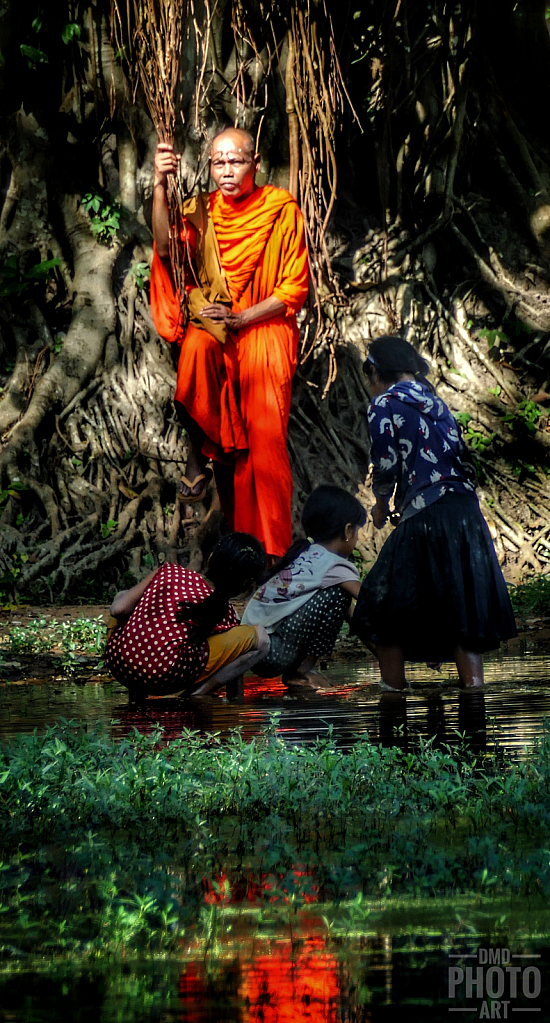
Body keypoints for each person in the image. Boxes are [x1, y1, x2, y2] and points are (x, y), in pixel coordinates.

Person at [150, 127, 309, 560]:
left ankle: (271, 554)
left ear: (255, 164)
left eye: (235, 161)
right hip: (218, 330)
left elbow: (293, 289)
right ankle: (198, 459)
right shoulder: (199, 210)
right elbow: (165, 248)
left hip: (264, 331)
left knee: (263, 446)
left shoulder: (279, 208)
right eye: (218, 163)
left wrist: (243, 317)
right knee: (196, 352)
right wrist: (160, 185)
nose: (226, 171)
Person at [352, 335, 517, 691]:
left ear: (376, 372)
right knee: (461, 609)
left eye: (369, 376)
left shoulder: (384, 402)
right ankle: (474, 694)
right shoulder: (436, 401)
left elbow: (385, 463)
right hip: (464, 512)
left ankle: (393, 696)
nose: (369, 384)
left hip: (426, 512)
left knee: (380, 606)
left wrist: (381, 504)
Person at [105, 534, 269, 698]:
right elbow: (233, 657)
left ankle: (137, 697)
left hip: (120, 664)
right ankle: (194, 696)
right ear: (245, 586)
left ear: (211, 557)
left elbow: (118, 610)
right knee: (261, 639)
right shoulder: (227, 613)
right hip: (168, 677)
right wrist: (236, 702)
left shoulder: (170, 572)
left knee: (124, 596)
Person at [242, 485, 366, 689]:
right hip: (273, 654)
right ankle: (302, 671)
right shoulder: (334, 564)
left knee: (339, 597)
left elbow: (357, 616)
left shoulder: (306, 553)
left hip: (252, 651)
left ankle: (301, 671)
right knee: (339, 596)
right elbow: (369, 603)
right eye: (357, 531)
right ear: (347, 531)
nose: (357, 538)